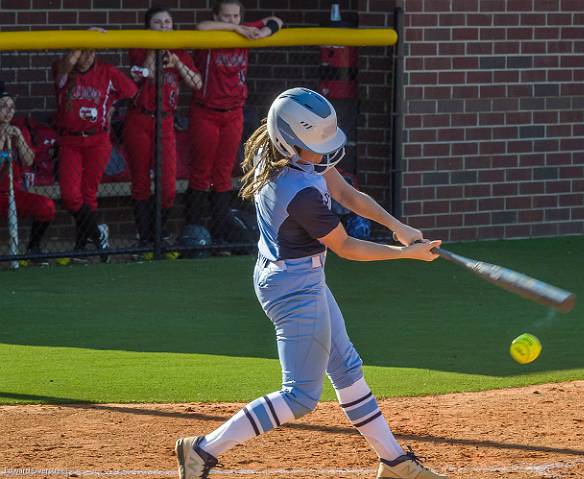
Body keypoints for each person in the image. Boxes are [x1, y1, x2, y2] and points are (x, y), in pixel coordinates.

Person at [175, 88, 449, 479]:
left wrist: (398, 227)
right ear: (290, 141)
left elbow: (344, 192)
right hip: (294, 286)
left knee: (347, 369)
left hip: (293, 274)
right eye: (313, 146)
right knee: (301, 396)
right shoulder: (298, 191)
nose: (322, 154)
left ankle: (394, 463)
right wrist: (405, 254)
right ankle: (202, 449)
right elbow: (345, 246)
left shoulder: (277, 151)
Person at [185, 0, 283, 251]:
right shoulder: (215, 33)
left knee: (224, 174)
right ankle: (193, 231)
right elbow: (201, 27)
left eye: (236, 16)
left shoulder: (246, 30)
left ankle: (219, 235)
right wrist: (236, 30)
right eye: (226, 16)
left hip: (233, 112)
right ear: (218, 15)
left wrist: (263, 31)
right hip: (206, 112)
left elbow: (276, 21)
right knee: (201, 172)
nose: (232, 20)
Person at [52, 32, 138, 262]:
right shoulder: (63, 71)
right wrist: (82, 41)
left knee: (88, 195)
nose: (88, 56)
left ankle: (81, 249)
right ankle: (98, 236)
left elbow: (131, 91)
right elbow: (64, 68)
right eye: (83, 51)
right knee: (71, 196)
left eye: (93, 51)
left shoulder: (107, 72)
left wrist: (112, 106)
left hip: (98, 140)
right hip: (70, 140)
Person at [123, 6, 202, 252]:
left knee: (168, 185)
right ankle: (145, 239)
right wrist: (154, 50)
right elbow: (144, 77)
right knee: (140, 183)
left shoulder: (178, 52)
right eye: (158, 23)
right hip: (139, 119)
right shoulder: (138, 47)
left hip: (166, 120)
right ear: (148, 28)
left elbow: (197, 83)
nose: (164, 26)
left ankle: (160, 233)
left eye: (167, 22)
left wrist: (176, 61)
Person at [0, 82, 56, 262]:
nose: (8, 111)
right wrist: (2, 138)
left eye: (11, 107)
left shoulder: (17, 129)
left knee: (46, 206)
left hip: (12, 194)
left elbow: (29, 160)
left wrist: (19, 138)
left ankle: (33, 248)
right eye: (2, 106)